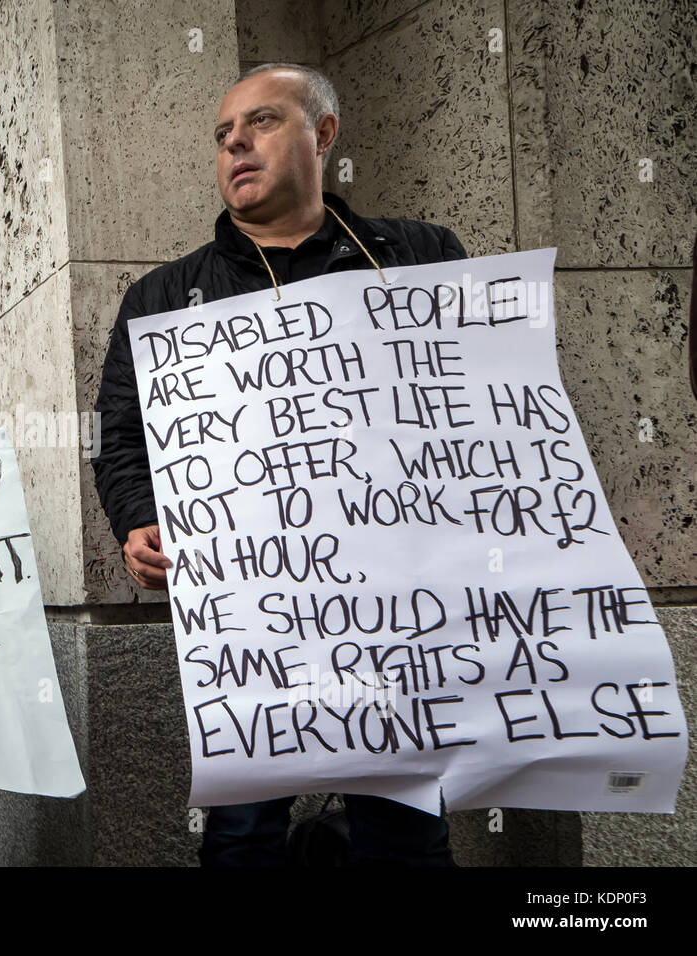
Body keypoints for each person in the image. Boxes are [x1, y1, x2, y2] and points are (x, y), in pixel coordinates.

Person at [92, 64, 466, 866]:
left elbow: (480, 406)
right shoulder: (165, 299)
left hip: (397, 615)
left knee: (406, 829)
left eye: (259, 122)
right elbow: (120, 436)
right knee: (242, 835)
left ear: (323, 133)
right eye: (223, 134)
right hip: (246, 620)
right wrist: (135, 521)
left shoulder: (421, 259)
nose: (235, 143)